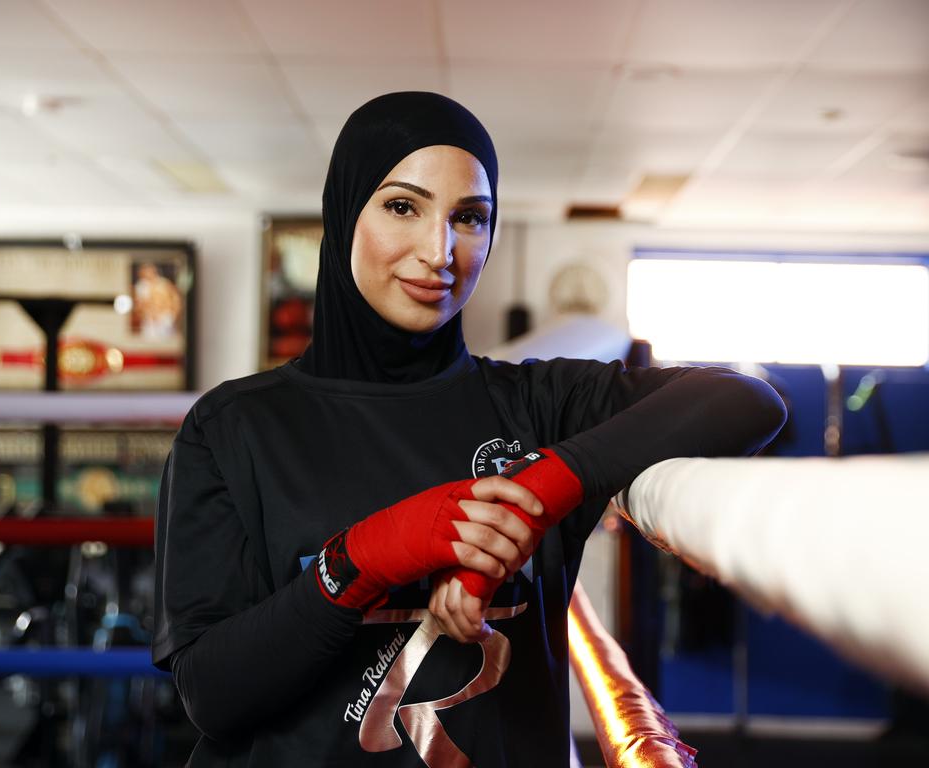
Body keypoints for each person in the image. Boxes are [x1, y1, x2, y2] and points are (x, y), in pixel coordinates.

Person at [151, 91, 786, 767]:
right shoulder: (235, 429)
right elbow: (213, 697)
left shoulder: (535, 404)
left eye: (471, 218)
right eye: (403, 206)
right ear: (345, 215)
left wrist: (544, 488)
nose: (440, 251)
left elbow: (749, 400)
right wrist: (363, 558)